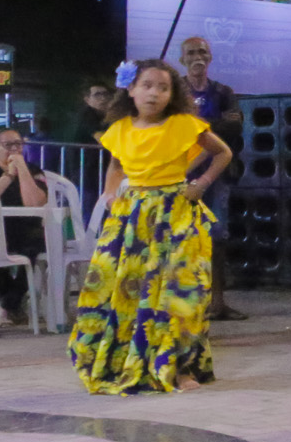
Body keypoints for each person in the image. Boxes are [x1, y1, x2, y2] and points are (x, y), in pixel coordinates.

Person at [69, 61, 232, 394]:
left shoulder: (184, 124)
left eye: (163, 87)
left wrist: (200, 183)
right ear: (131, 90)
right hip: (133, 215)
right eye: (147, 85)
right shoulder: (120, 129)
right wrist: (110, 193)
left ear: (172, 94)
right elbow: (116, 165)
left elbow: (222, 152)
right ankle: (123, 360)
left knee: (180, 292)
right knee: (123, 288)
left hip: (176, 213)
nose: (154, 93)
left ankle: (180, 367)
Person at [179, 35, 247, 321]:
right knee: (180, 238)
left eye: (203, 52)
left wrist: (203, 127)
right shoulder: (175, 91)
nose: (198, 57)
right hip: (181, 174)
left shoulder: (223, 92)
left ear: (210, 57)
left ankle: (217, 301)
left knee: (217, 235)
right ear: (182, 59)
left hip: (215, 174)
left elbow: (235, 125)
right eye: (192, 52)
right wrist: (209, 128)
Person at [0, 126, 47, 326]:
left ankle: (9, 302)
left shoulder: (33, 170)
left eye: (18, 144)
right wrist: (8, 176)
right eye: (8, 145)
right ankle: (12, 303)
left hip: (25, 229)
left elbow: (35, 204)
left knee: (34, 246)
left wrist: (21, 170)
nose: (14, 149)